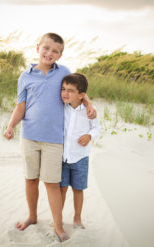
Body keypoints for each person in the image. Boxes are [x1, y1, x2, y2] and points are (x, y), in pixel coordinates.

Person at [3, 33, 96, 242]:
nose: (49, 53)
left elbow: (79, 90)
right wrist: (10, 126)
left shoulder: (63, 72)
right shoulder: (25, 76)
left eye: (55, 50)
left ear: (60, 54)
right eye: (46, 48)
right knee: (31, 179)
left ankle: (57, 225)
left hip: (54, 139)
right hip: (29, 136)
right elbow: (21, 106)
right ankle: (33, 217)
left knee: (53, 183)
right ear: (38, 48)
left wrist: (89, 105)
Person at [60, 73, 100, 229]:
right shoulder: (62, 107)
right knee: (61, 188)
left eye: (70, 90)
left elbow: (97, 128)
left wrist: (89, 136)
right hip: (63, 157)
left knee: (78, 189)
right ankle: (59, 217)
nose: (65, 93)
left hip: (80, 157)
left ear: (82, 95)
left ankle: (77, 218)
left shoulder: (90, 111)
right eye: (63, 89)